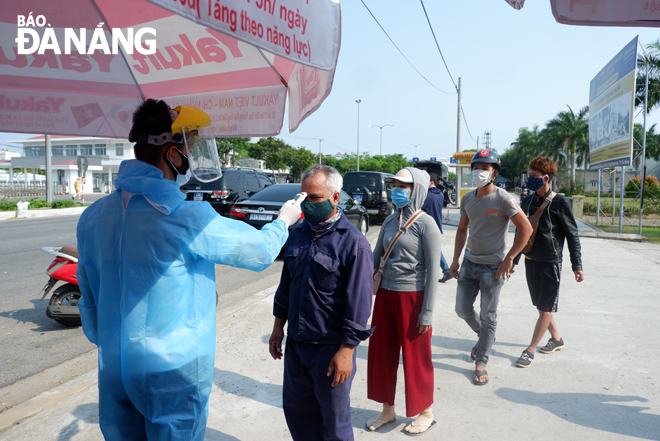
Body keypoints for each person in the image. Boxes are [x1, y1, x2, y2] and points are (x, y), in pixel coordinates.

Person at [76, 99, 301, 441]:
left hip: (115, 365)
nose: (192, 155)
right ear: (171, 152)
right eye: (189, 146)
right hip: (172, 369)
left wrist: (113, 341)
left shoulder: (94, 216)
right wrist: (284, 220)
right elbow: (259, 252)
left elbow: (89, 300)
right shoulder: (186, 217)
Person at [269, 165, 374, 441]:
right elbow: (286, 287)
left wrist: (347, 351)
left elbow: (359, 304)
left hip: (330, 350)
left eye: (314, 198)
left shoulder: (354, 243)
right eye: (303, 197)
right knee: (298, 412)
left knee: (334, 422)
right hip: (297, 346)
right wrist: (278, 327)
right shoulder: (298, 234)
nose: (307, 204)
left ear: (335, 197)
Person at [367, 167, 441, 436]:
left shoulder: (426, 224)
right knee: (381, 354)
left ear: (417, 189)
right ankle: (387, 409)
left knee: (415, 357)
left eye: (404, 185)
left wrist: (427, 312)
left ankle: (426, 412)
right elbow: (374, 261)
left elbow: (434, 271)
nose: (397, 189)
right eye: (395, 184)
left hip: (413, 297)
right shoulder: (389, 222)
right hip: (385, 296)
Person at [449, 149, 532, 386]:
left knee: (488, 315)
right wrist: (455, 259)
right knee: (462, 310)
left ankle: (481, 361)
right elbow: (462, 230)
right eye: (476, 167)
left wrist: (510, 258)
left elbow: (526, 229)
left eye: (485, 168)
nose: (479, 172)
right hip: (469, 263)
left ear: (494, 172)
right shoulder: (467, 199)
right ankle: (485, 336)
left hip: (493, 268)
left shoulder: (503, 198)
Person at [514, 156, 584, 368]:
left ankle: (530, 350)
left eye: (534, 176)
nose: (529, 179)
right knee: (541, 305)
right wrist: (513, 260)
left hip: (550, 262)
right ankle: (556, 338)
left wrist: (577, 265)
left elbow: (572, 235)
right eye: (529, 175)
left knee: (545, 309)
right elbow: (521, 234)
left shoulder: (560, 202)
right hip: (530, 259)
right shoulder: (526, 201)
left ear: (546, 178)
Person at [421, 172, 452, 283]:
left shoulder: (425, 195)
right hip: (437, 226)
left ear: (431, 182)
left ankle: (445, 270)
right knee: (435, 250)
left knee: (431, 251)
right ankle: (446, 270)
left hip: (426, 227)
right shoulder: (439, 194)